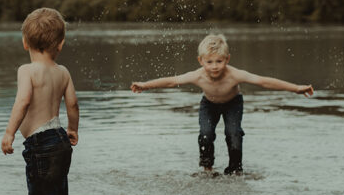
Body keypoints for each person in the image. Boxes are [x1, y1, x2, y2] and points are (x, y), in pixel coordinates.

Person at [130, 33, 312, 175]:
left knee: (233, 134)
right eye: (209, 62)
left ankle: (235, 170)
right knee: (206, 134)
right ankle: (207, 169)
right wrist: (145, 85)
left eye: (219, 61)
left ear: (227, 59)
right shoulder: (197, 75)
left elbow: (263, 81)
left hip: (233, 104)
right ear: (201, 61)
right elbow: (171, 81)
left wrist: (296, 88)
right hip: (209, 105)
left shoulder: (234, 75)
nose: (215, 66)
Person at [1, 7, 80, 195]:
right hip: (59, 139)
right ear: (61, 43)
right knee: (58, 191)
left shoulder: (27, 70)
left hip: (40, 144)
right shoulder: (63, 72)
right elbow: (73, 104)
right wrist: (72, 129)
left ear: (25, 42)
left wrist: (9, 133)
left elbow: (23, 101)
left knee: (41, 193)